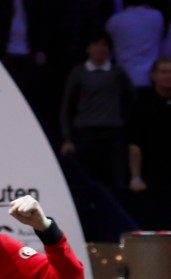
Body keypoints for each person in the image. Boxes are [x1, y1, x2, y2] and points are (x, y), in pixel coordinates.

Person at [59, 31, 135, 190]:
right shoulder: (79, 72)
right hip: (85, 131)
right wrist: (67, 138)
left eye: (104, 45)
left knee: (116, 179)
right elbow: (67, 106)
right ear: (88, 48)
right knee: (87, 179)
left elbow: (132, 96)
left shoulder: (117, 72)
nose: (100, 48)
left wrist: (122, 118)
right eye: (96, 44)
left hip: (112, 131)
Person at [126, 57, 171, 228]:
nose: (168, 76)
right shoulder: (142, 104)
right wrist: (136, 178)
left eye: (170, 72)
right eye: (163, 72)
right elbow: (135, 144)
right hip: (152, 181)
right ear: (153, 76)